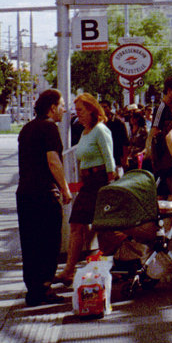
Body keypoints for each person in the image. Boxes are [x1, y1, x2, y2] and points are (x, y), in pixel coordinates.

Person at [16, 89, 73, 306]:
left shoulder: (27, 128)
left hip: (25, 194)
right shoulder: (50, 128)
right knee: (49, 242)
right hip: (45, 194)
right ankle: (45, 287)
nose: (64, 109)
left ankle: (34, 290)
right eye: (62, 105)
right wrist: (65, 188)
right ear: (52, 107)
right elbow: (53, 161)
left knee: (30, 244)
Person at [57, 93, 116, 285]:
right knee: (77, 225)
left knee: (98, 227)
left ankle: (97, 267)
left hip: (100, 183)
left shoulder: (100, 130)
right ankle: (70, 269)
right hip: (88, 184)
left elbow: (110, 161)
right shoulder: (84, 132)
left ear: (91, 110)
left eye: (80, 111)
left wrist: (110, 185)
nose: (78, 115)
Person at [145, 76, 172, 192]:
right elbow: (153, 131)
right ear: (169, 90)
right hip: (162, 159)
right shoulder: (161, 108)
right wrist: (150, 153)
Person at [101, 98, 129, 175]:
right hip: (103, 160)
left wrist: (125, 158)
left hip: (117, 159)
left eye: (105, 107)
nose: (103, 109)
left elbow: (125, 142)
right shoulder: (98, 124)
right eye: (101, 107)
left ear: (110, 108)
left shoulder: (118, 123)